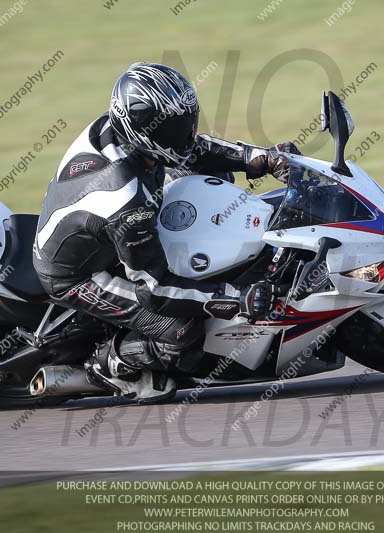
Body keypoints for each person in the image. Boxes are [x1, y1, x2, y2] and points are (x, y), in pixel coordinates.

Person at [32, 62, 300, 402]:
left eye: (187, 122)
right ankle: (106, 367)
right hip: (79, 275)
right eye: (174, 129)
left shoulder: (124, 132)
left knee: (212, 181)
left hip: (110, 227)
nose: (185, 135)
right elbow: (154, 289)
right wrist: (235, 298)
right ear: (142, 131)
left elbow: (195, 150)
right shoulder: (123, 198)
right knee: (181, 332)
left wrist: (262, 158)